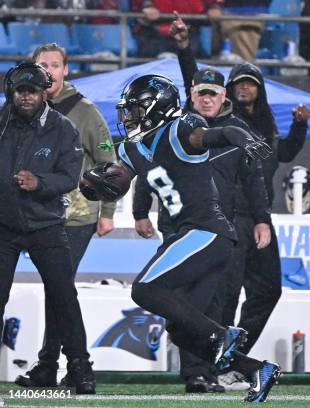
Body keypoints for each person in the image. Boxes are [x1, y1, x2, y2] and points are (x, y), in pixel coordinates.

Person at [81, 73, 280, 403]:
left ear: (158, 107)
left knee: (145, 289)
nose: (128, 116)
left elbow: (219, 133)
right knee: (181, 330)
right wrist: (97, 184)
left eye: (135, 108)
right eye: (127, 110)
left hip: (206, 230)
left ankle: (223, 334)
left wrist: (242, 138)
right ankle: (256, 369)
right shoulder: (131, 146)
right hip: (186, 234)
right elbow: (121, 179)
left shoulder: (181, 128)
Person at [133, 13, 272, 393]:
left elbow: (248, 173)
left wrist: (261, 218)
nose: (206, 97)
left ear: (223, 96)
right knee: (184, 316)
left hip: (210, 229)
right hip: (182, 230)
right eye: (200, 92)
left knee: (180, 299)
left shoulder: (192, 129)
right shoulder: (162, 134)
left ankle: (209, 369)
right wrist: (134, 208)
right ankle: (246, 368)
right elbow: (142, 169)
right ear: (191, 95)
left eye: (214, 92)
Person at [13, 43, 117, 390]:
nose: (49, 70)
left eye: (55, 65)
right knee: (58, 293)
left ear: (65, 70)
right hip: (25, 214)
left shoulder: (83, 112)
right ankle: (52, 365)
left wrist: (108, 211)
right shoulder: (16, 111)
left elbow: (108, 161)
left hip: (74, 216)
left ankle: (57, 365)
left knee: (59, 292)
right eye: (43, 65)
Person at [0, 62, 95, 394]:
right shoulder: (2, 121)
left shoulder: (63, 128)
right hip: (3, 225)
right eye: (20, 91)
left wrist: (39, 182)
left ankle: (81, 369)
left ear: (44, 93)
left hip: (46, 224)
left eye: (32, 91)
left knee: (63, 296)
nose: (26, 97)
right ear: (12, 93)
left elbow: (71, 176)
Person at [223, 61, 310, 359]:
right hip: (230, 217)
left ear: (259, 90)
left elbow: (283, 153)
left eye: (250, 83)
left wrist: (299, 128)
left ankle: (233, 356)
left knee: (268, 290)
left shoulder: (265, 127)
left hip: (260, 219)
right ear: (230, 89)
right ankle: (214, 360)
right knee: (227, 293)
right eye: (239, 83)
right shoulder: (222, 123)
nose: (244, 88)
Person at [131, 0, 223, 57]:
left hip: (190, 28)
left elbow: (214, 2)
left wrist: (214, 7)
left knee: (189, 57)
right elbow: (138, 4)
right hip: (154, 31)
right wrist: (147, 6)